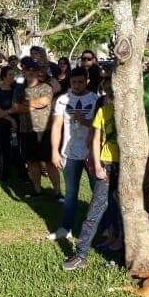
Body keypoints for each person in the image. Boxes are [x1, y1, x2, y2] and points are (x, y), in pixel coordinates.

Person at [62, 78, 122, 270]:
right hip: (106, 163)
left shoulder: (131, 113)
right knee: (96, 209)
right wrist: (97, 164)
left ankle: (122, 251)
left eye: (112, 94)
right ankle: (81, 254)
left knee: (124, 210)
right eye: (108, 94)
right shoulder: (103, 112)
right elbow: (96, 139)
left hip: (125, 166)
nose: (109, 98)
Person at [49, 67, 99, 241]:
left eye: (80, 81)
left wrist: (83, 120)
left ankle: (105, 228)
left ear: (87, 81)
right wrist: (55, 152)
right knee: (70, 192)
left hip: (92, 154)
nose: (77, 85)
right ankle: (66, 227)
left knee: (98, 193)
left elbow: (99, 126)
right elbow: (56, 126)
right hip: (69, 153)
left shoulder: (95, 100)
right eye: (73, 82)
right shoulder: (62, 100)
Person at [17, 60, 61, 198]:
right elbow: (15, 107)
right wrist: (34, 106)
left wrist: (26, 104)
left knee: (49, 162)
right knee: (31, 162)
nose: (30, 72)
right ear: (23, 71)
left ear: (37, 71)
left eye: (33, 69)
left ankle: (58, 192)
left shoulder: (45, 87)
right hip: (26, 130)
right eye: (27, 69)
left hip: (44, 129)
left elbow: (45, 101)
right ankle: (37, 190)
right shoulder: (19, 88)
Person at [0, 65, 21, 182]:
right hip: (2, 123)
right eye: (10, 75)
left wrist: (11, 115)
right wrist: (12, 119)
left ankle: (21, 171)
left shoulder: (16, 89)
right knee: (5, 148)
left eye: (14, 75)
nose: (13, 77)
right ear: (4, 77)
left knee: (17, 147)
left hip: (16, 122)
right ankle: (6, 173)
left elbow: (18, 107)